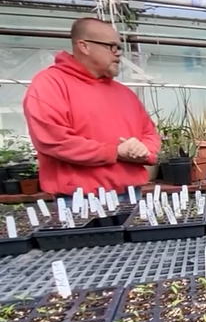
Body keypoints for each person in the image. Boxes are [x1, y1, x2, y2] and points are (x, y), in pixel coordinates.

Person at [23, 17, 160, 202]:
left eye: (119, 47)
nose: (118, 53)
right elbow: (53, 140)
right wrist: (114, 152)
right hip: (79, 201)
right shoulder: (50, 84)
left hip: (130, 195)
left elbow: (150, 133)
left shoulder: (124, 93)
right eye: (112, 46)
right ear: (84, 46)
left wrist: (143, 150)